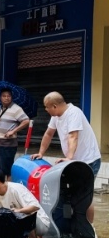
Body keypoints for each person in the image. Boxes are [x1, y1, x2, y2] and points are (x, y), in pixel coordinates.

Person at [30, 91, 101, 223]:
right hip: (74, 162)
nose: (45, 110)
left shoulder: (74, 113)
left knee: (85, 196)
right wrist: (41, 153)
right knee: (72, 194)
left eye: (47, 107)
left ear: (54, 106)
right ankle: (73, 224)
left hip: (88, 161)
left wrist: (69, 158)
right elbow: (48, 134)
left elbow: (73, 136)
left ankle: (90, 227)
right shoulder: (56, 116)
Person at [0, 87, 30, 179]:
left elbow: (26, 121)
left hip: (8, 144)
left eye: (8, 96)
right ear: (0, 97)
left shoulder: (16, 109)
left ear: (11, 97)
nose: (6, 98)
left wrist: (13, 131)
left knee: (7, 169)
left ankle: (8, 186)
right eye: (4, 96)